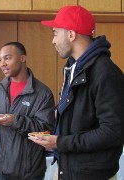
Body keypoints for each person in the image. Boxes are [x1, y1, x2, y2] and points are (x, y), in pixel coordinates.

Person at [29, 5, 124, 180]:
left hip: (92, 174)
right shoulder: (74, 68)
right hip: (68, 167)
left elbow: (113, 132)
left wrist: (60, 142)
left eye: (56, 33)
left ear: (71, 35)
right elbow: (81, 113)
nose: (53, 40)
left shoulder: (105, 73)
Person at [0, 42, 55, 179]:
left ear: (22, 58)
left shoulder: (42, 93)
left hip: (29, 174)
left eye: (7, 58)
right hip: (1, 171)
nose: (2, 63)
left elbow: (45, 130)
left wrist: (14, 121)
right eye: (0, 60)